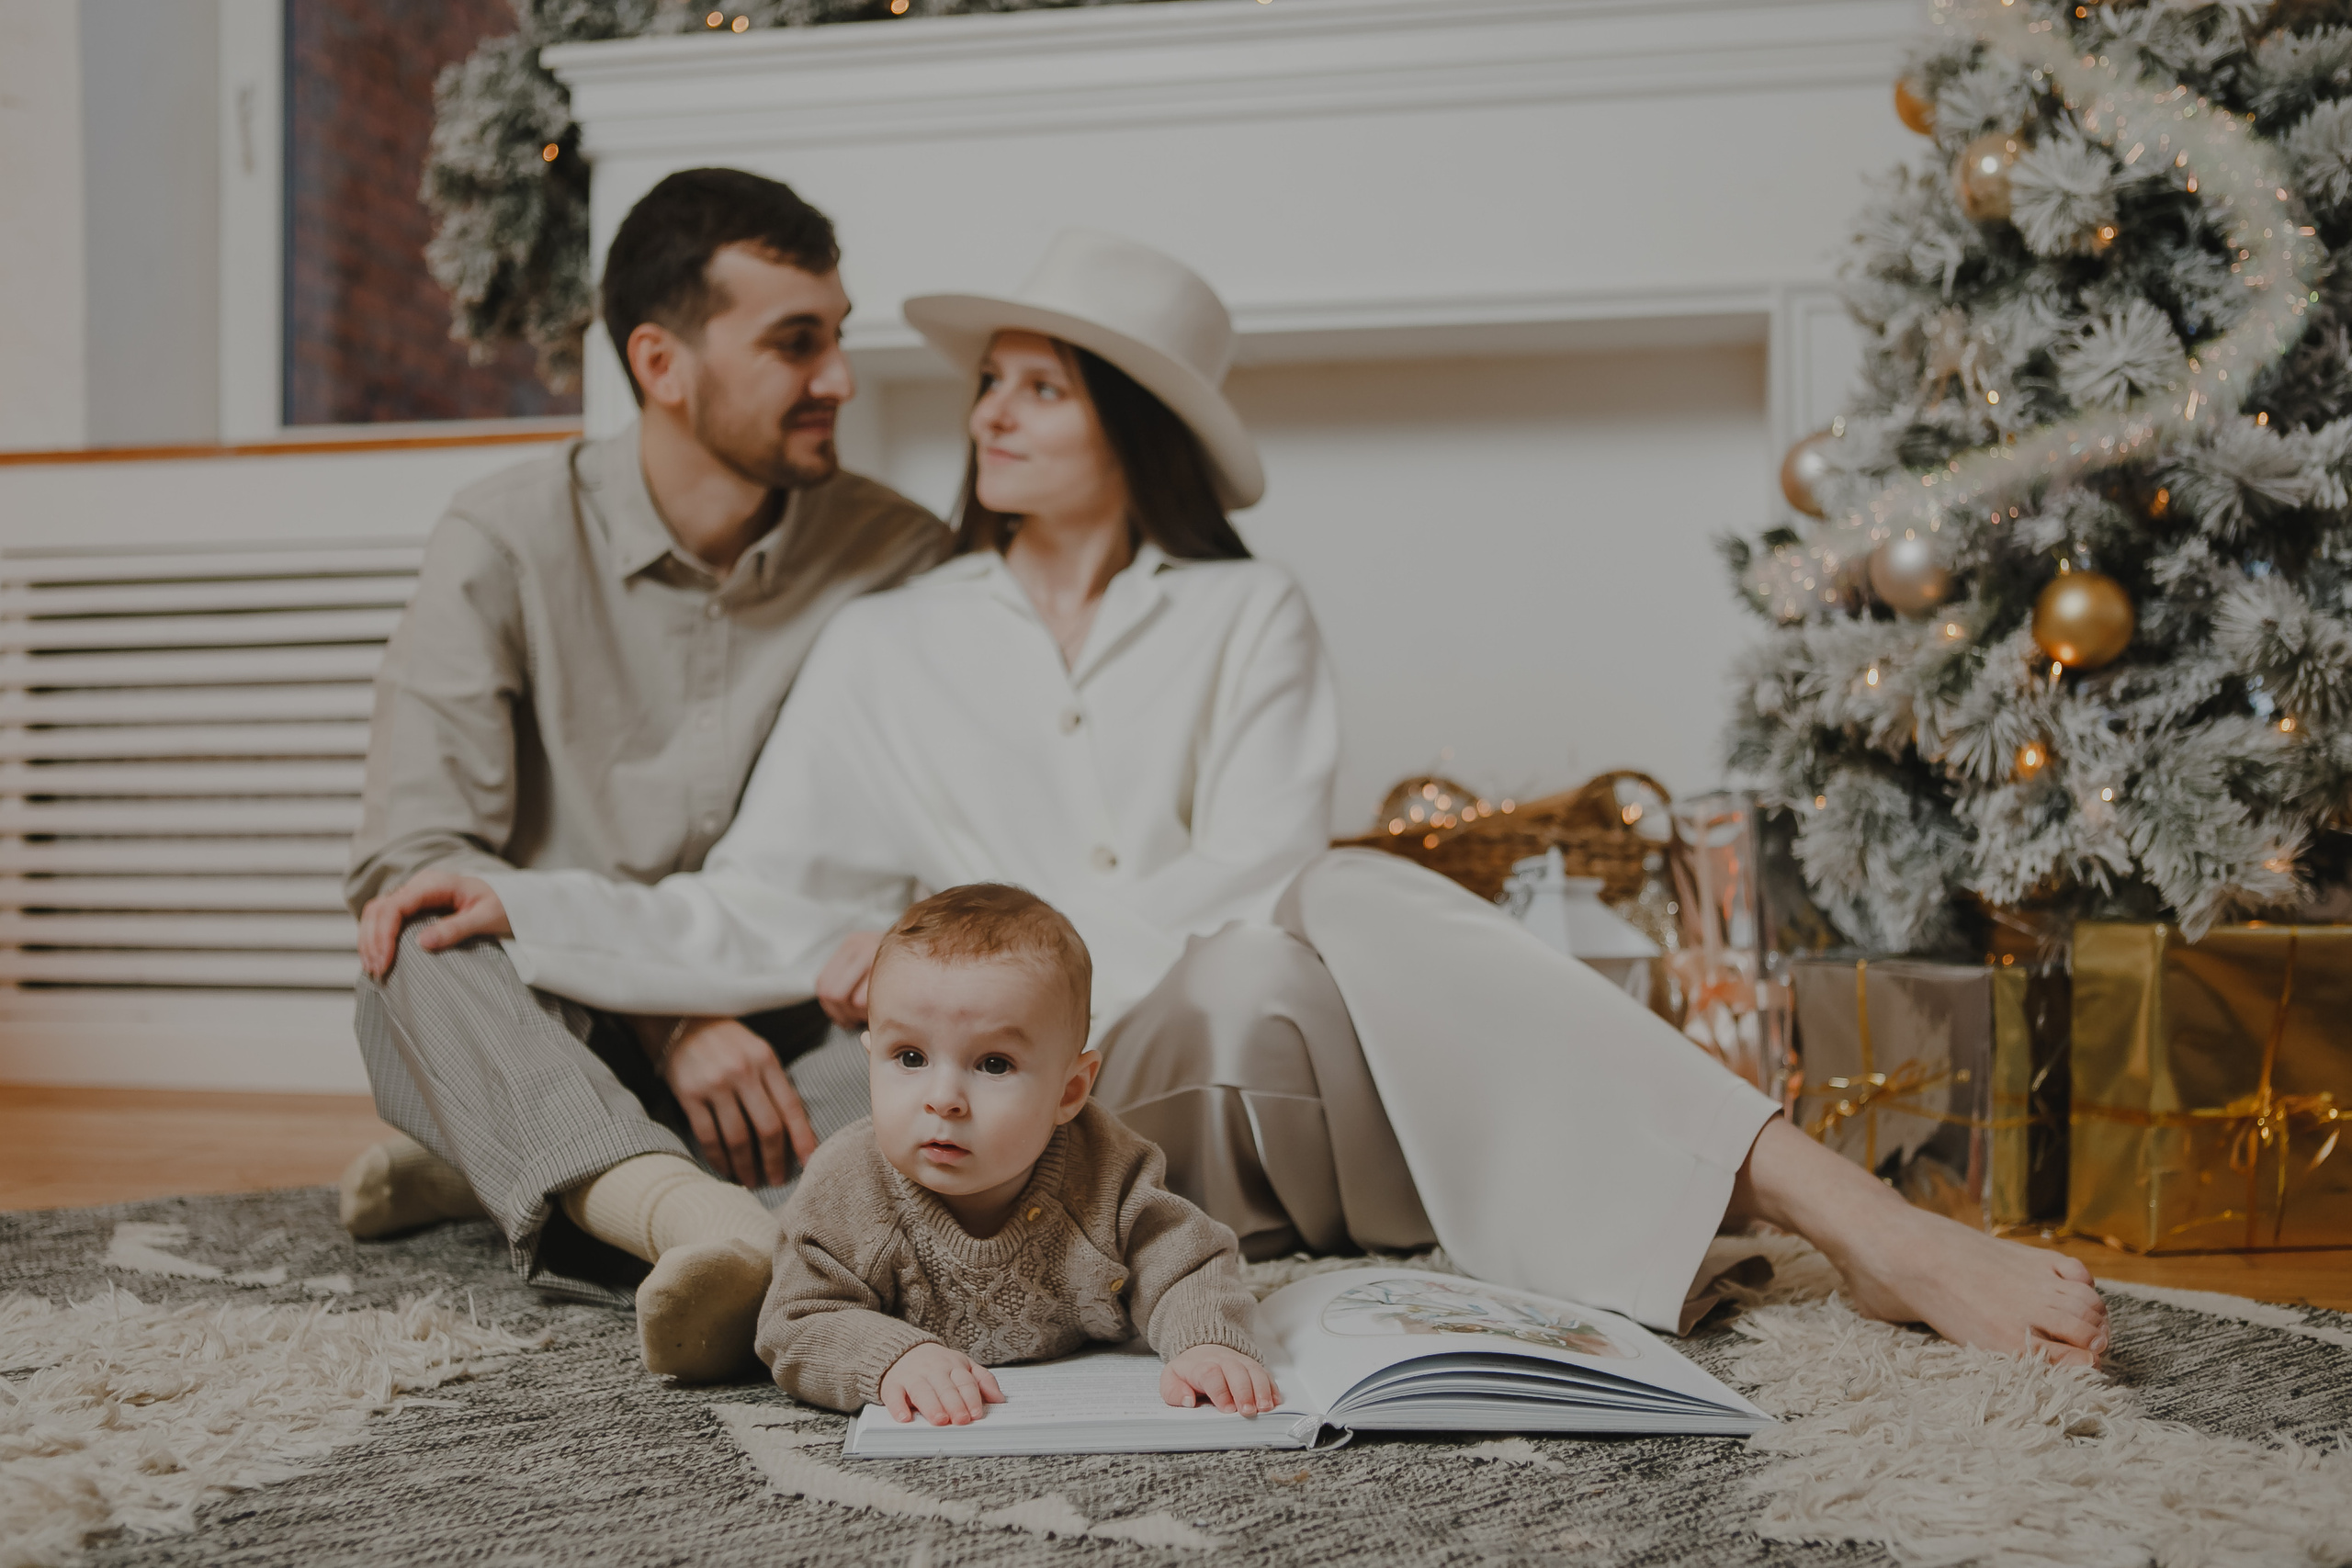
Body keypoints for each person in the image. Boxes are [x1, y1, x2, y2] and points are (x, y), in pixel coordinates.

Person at [360, 228, 2109, 1378]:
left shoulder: (1244, 609)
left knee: (1328, 906)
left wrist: (1041, 978)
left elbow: (1261, 872)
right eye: (987, 382)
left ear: (1131, 422)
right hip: (1045, 1133)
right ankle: (1832, 1209)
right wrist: (543, 912)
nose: (990, 412)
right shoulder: (893, 637)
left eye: (1039, 385)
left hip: (1225, 1061)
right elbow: (760, 892)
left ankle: (1839, 1214)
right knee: (1323, 919)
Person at [338, 167, 950, 1379]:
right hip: (565, 1001)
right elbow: (415, 857)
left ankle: (519, 1162)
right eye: (794, 344)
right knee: (409, 947)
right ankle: (700, 1218)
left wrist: (892, 948)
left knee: (952, 1077)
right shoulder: (503, 537)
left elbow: (950, 834)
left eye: (837, 337)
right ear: (662, 364)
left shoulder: (901, 555)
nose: (841, 379)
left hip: (793, 1023)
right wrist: (667, 1012)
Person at [760, 883, 1279, 1424]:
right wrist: (892, 1359)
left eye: (993, 1065)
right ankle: (725, 1254)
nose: (942, 1099)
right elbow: (796, 1320)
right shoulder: (848, 1189)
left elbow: (1182, 1261)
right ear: (871, 1059)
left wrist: (1204, 1342)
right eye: (909, 1057)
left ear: (1069, 1091)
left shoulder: (1107, 1171)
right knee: (761, 1260)